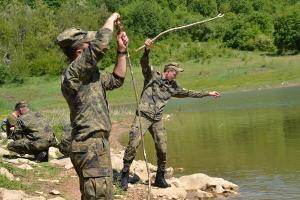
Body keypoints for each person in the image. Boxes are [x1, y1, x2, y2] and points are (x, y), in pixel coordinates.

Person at [121, 39, 221, 190]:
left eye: (177, 74)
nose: (176, 75)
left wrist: (208, 93)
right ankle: (124, 175)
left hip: (157, 119)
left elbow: (189, 93)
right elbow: (144, 63)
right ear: (167, 71)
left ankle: (160, 177)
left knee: (162, 148)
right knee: (133, 144)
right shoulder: (152, 76)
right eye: (174, 72)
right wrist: (147, 50)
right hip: (143, 116)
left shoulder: (174, 87)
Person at [57, 12, 128, 200]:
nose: (93, 53)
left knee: (97, 194)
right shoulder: (73, 73)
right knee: (99, 196)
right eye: (88, 47)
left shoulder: (92, 76)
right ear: (80, 53)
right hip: (90, 145)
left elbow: (116, 80)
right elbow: (100, 45)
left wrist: (121, 51)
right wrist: (111, 20)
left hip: (96, 144)